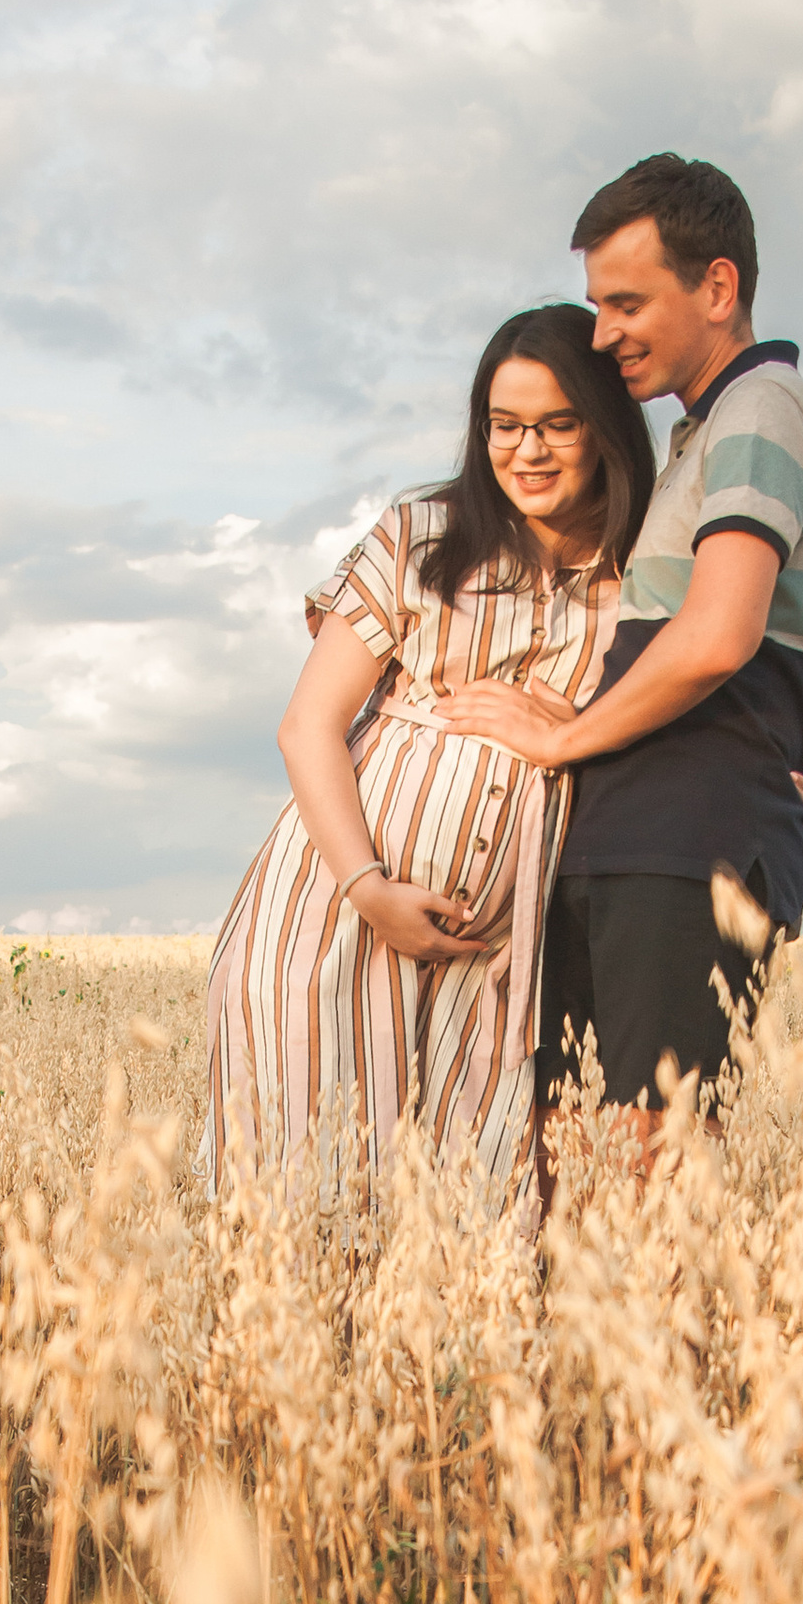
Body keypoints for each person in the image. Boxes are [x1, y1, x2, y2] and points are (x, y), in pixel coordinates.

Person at [439, 153, 803, 1140]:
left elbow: (717, 636)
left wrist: (562, 740)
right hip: (638, 838)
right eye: (596, 304)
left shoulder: (764, 411)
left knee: (646, 1172)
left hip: (681, 849)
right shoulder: (706, 433)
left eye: (626, 302)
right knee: (571, 1175)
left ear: (717, 286)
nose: (601, 333)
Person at [204, 305, 657, 1191]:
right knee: (306, 1199)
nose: (527, 450)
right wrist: (369, 890)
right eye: (504, 426)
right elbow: (307, 727)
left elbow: (679, 698)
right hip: (328, 918)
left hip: (497, 955)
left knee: (466, 1219)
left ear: (604, 426)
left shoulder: (645, 566)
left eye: (558, 424)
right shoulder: (421, 537)